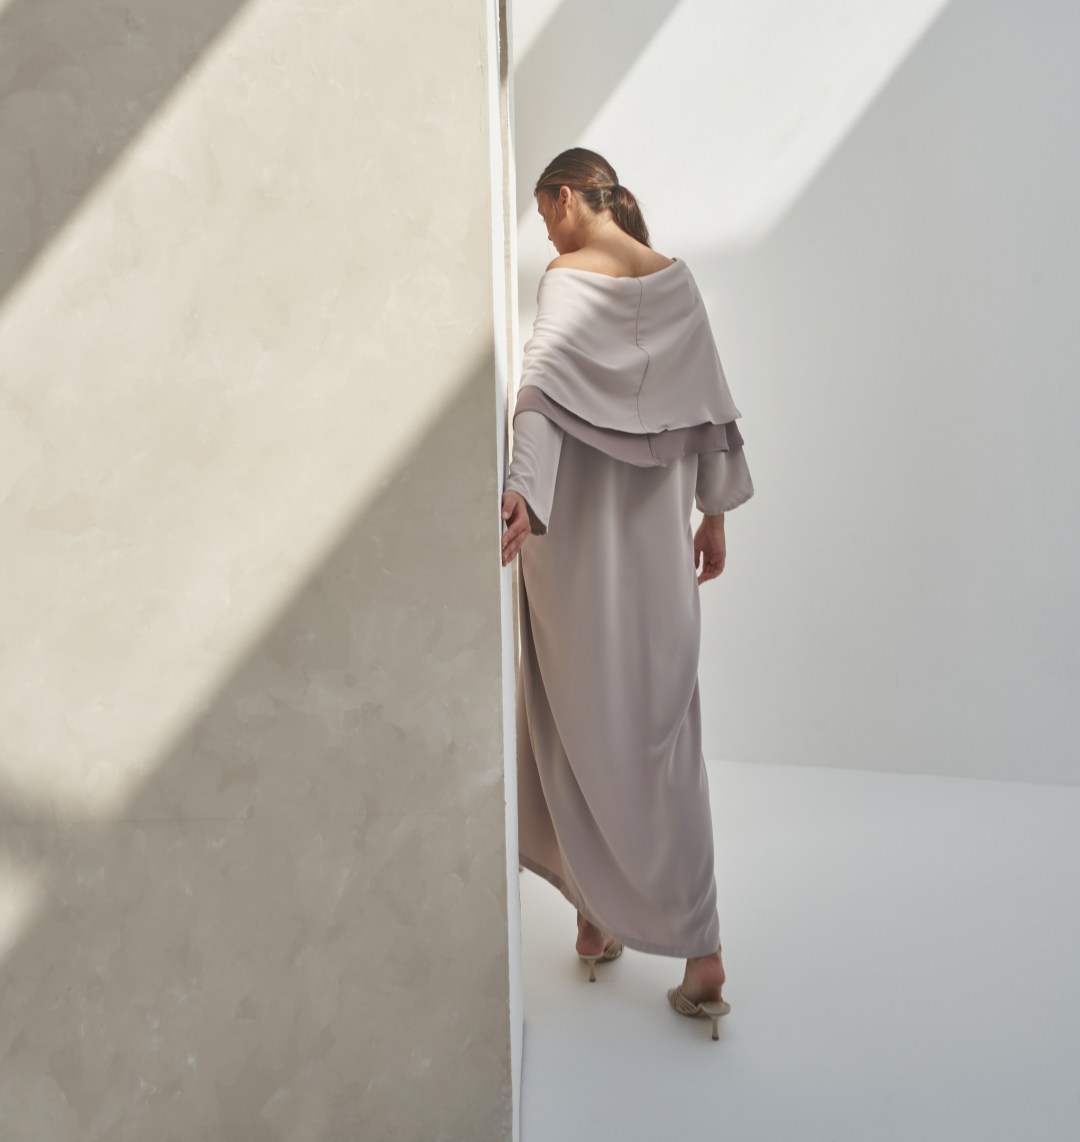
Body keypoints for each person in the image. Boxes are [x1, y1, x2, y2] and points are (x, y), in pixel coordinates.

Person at [500, 148, 754, 1041]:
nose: (546, 234)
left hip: (576, 552)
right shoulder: (676, 281)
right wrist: (712, 518)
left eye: (545, 214)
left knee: (577, 730)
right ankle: (700, 954)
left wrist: (522, 492)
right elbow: (715, 411)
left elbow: (538, 391)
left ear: (568, 197)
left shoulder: (569, 278)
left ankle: (594, 920)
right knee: (665, 741)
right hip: (658, 559)